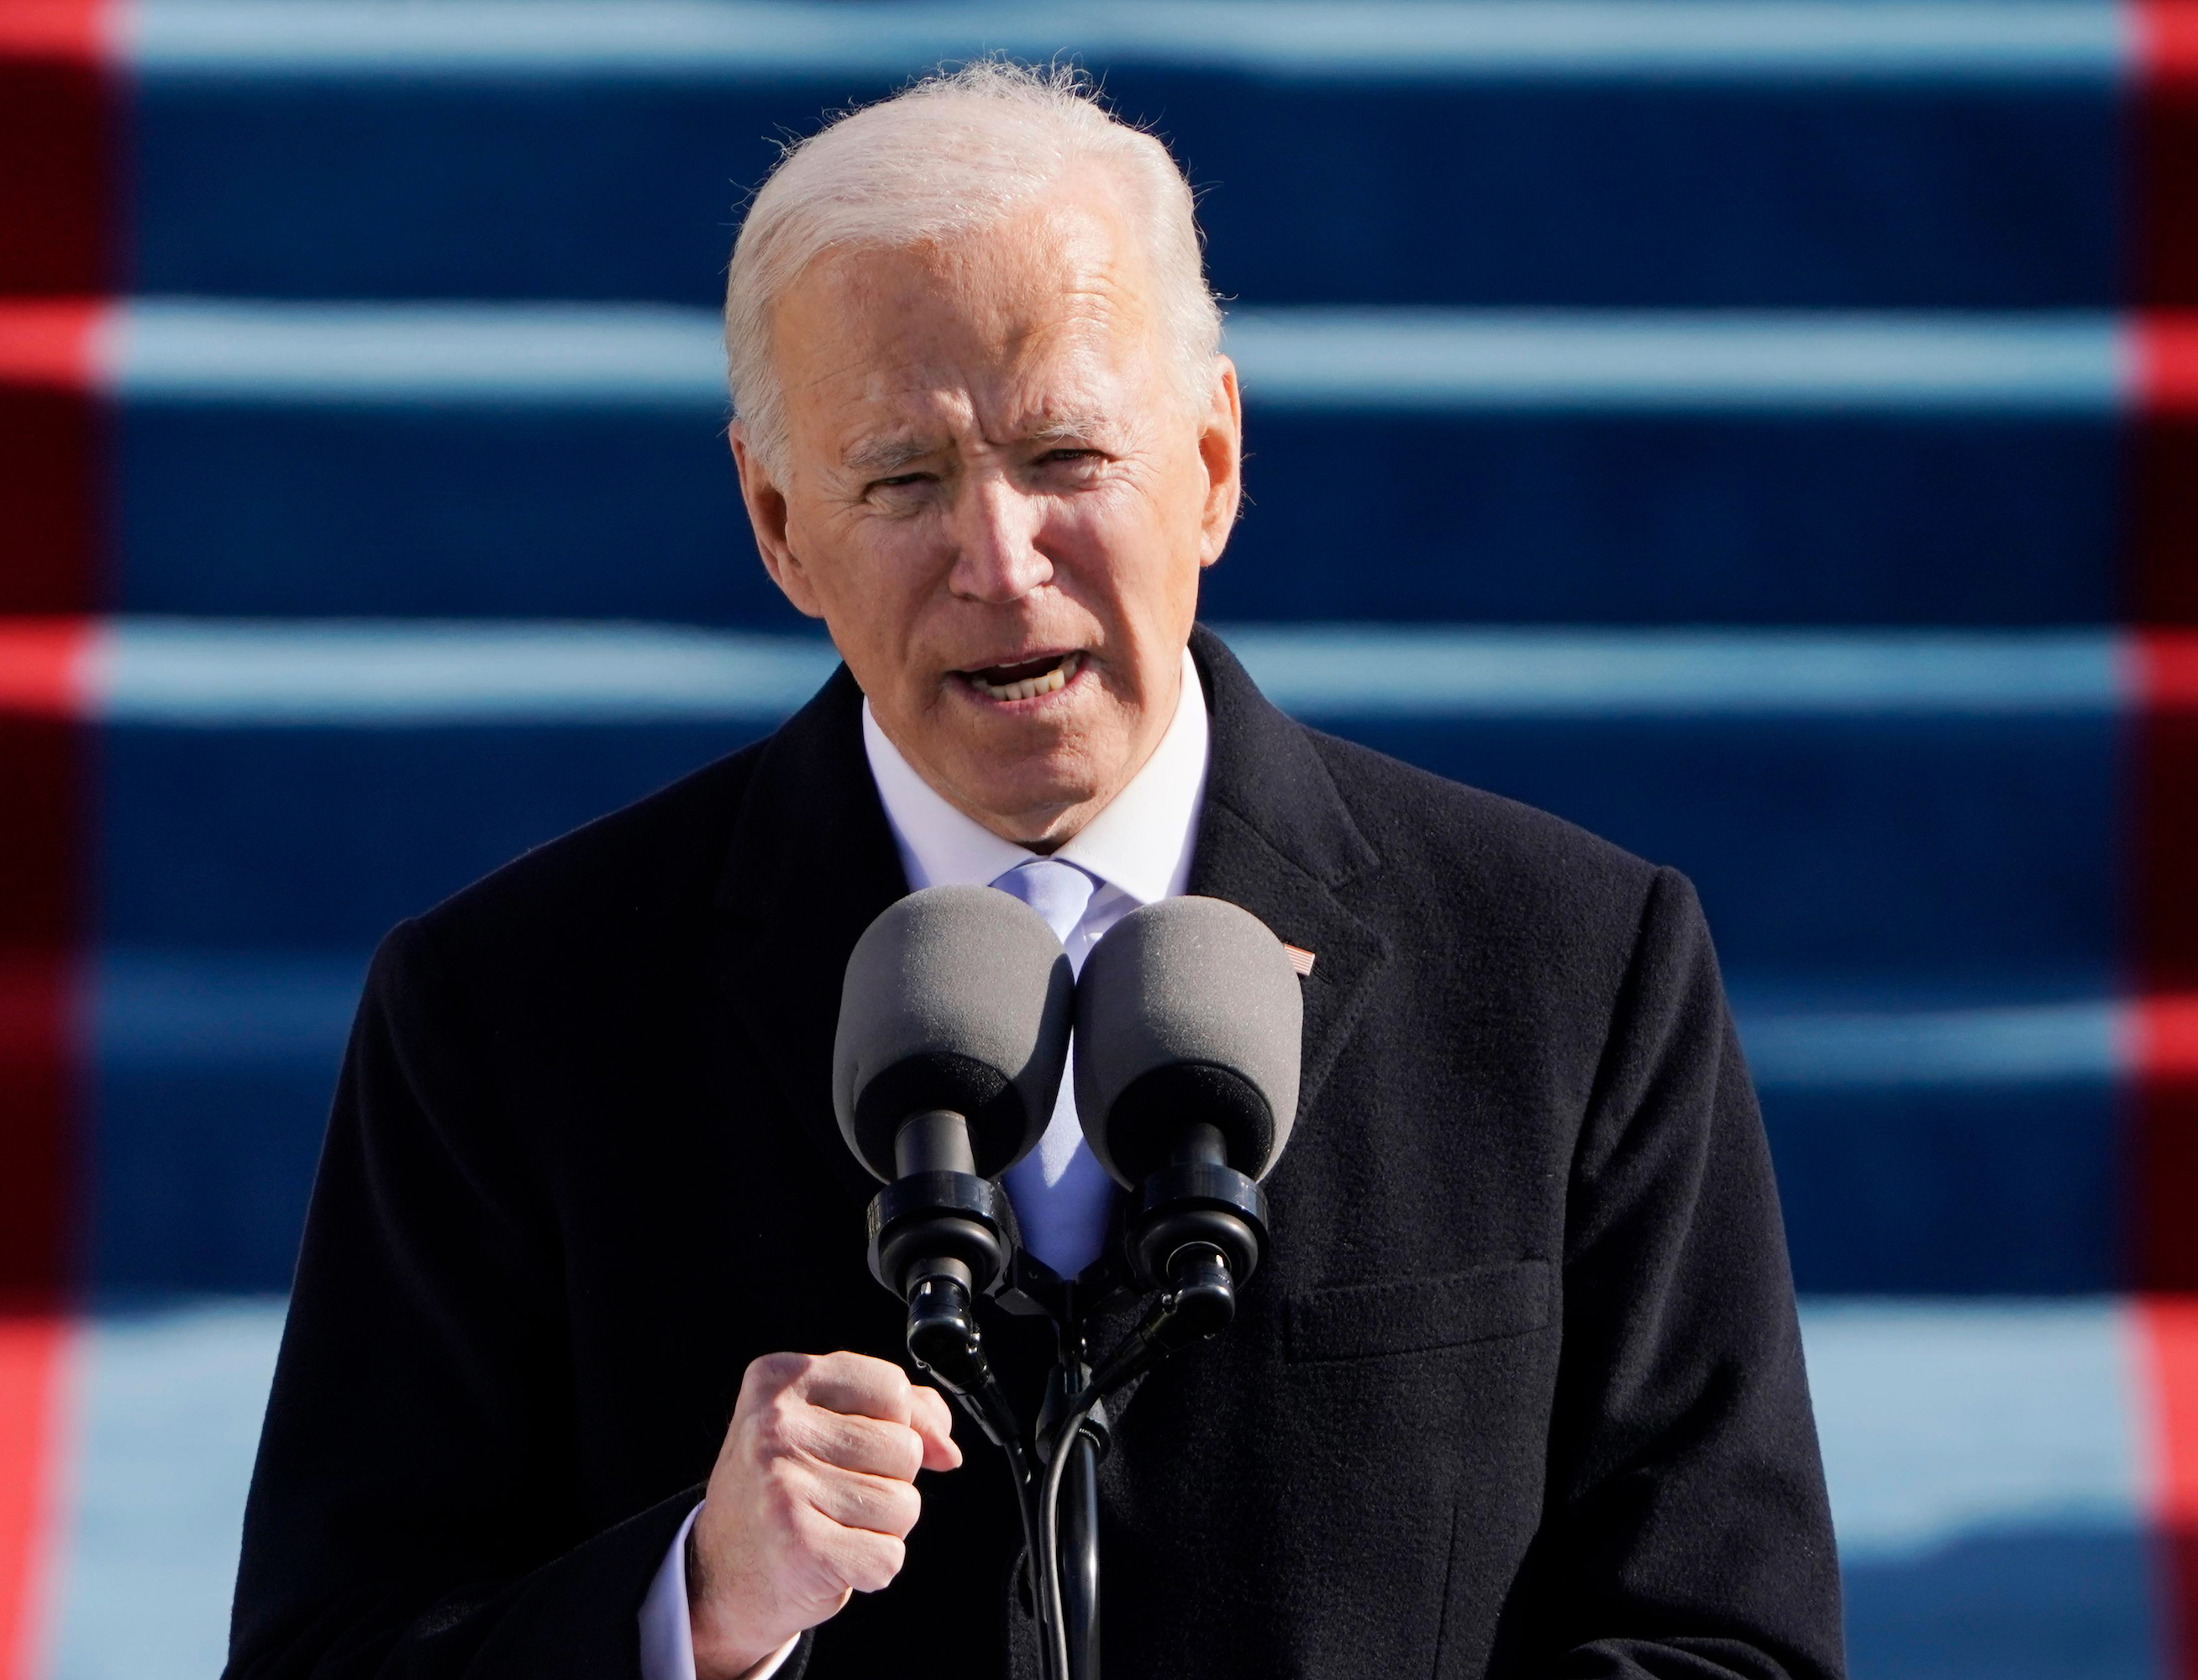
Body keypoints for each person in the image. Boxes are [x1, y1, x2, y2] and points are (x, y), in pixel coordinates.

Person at [227, 62, 1843, 1680]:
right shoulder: (505, 1018)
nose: (999, 563)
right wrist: (691, 1605)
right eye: (903, 480)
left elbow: (1726, 1645)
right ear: (779, 520)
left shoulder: (1573, 969)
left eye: (1067, 454)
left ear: (1211, 462)